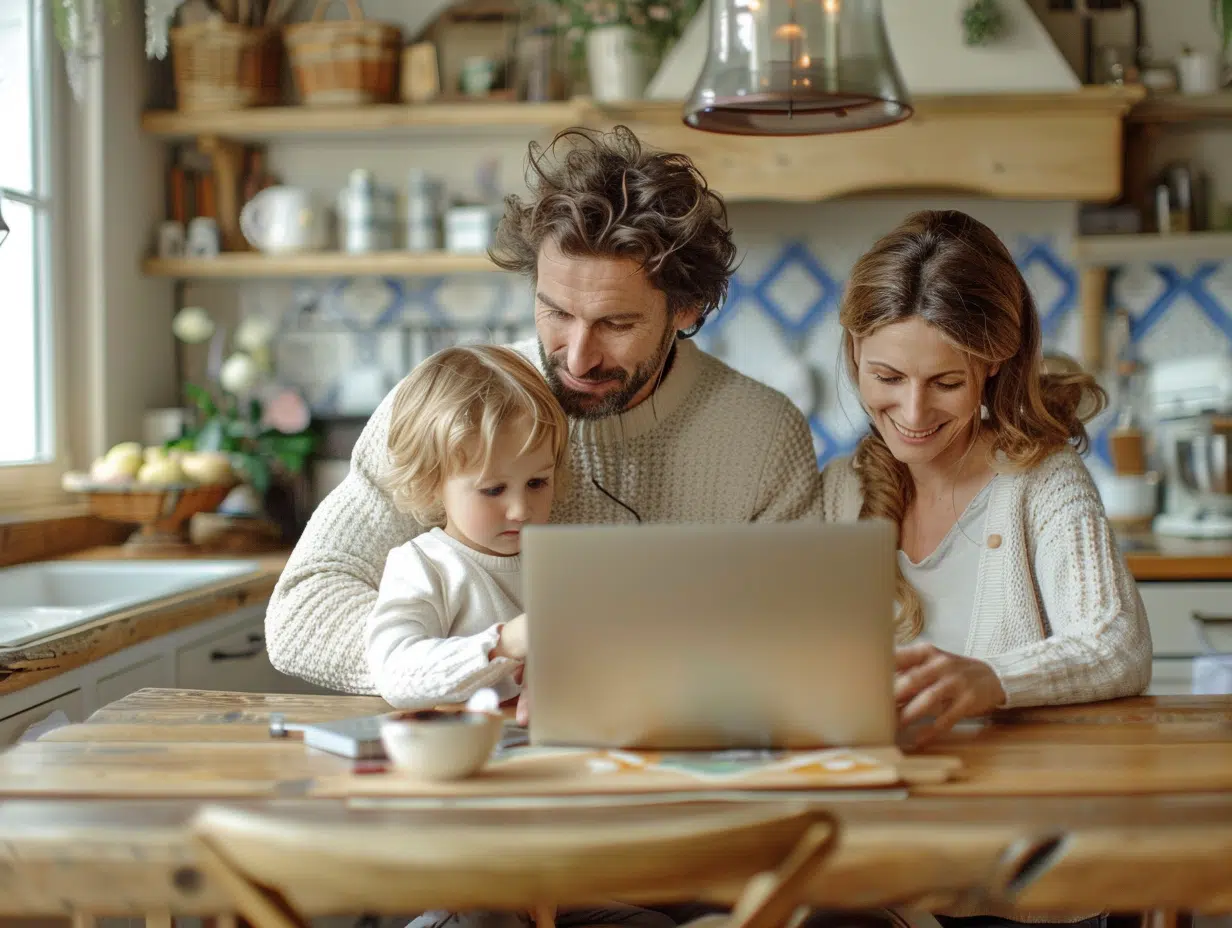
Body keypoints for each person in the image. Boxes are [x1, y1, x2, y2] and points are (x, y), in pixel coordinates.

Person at [266, 126, 823, 693]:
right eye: (556, 312)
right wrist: (489, 662)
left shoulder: (762, 434)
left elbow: (808, 632)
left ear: (685, 310)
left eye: (616, 324)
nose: (577, 357)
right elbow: (303, 611)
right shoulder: (456, 405)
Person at [820, 207, 1152, 750]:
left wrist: (993, 678)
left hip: (1010, 793)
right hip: (873, 791)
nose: (914, 411)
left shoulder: (1042, 482)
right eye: (888, 377)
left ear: (995, 362)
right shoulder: (839, 490)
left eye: (946, 382)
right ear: (855, 350)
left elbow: (1118, 645)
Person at [366, 345, 568, 709]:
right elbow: (393, 672)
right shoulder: (423, 566)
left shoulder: (561, 560)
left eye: (537, 483)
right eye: (493, 489)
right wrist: (506, 643)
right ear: (430, 482)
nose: (521, 510)